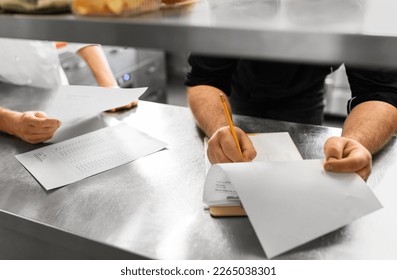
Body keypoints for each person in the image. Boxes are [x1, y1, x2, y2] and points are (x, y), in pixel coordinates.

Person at [185, 55, 397, 181]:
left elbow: (380, 90)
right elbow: (205, 78)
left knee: (300, 181)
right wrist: (219, 127)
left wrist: (356, 142)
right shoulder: (231, 7)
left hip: (305, 92)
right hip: (238, 89)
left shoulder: (359, 7)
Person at [0, 38, 136, 144]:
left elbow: (79, 36)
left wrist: (110, 87)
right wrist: (14, 123)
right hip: (6, 105)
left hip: (58, 97)